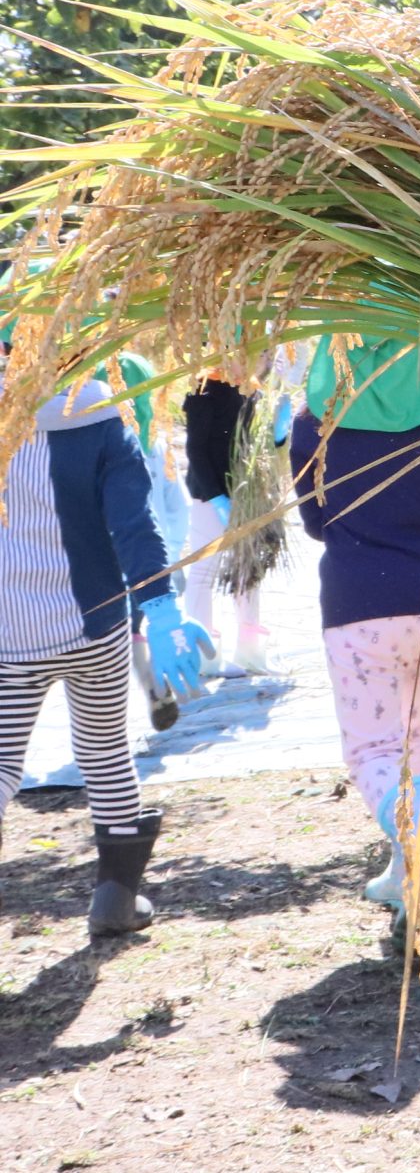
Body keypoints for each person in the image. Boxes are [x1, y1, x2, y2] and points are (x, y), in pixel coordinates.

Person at [0, 369, 212, 936]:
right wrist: (161, 607)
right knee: (104, 751)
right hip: (94, 624)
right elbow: (134, 526)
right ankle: (116, 902)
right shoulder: (103, 416)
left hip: (7, 631)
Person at [289, 336, 420, 950]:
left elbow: (316, 522)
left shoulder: (312, 422)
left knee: (374, 749)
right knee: (417, 742)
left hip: (357, 606)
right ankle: (411, 876)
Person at [178, 371, 272, 673]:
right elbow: (196, 450)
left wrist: (280, 431)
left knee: (248, 567)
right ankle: (204, 656)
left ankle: (250, 651)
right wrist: (217, 497)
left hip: (244, 490)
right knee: (204, 569)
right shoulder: (203, 390)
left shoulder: (249, 386)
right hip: (210, 495)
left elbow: (258, 441)